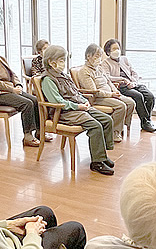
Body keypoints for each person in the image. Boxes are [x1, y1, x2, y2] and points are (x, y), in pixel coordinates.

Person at [41, 45, 115, 175]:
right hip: (64, 113)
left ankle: (102, 154)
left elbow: (75, 92)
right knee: (95, 125)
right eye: (61, 60)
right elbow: (58, 102)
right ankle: (97, 162)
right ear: (51, 62)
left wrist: (83, 100)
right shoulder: (48, 79)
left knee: (107, 119)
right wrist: (78, 106)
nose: (63, 63)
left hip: (78, 107)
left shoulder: (62, 75)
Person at [0, 33, 49, 147]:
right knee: (27, 103)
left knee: (35, 100)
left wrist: (18, 84)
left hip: (9, 90)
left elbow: (12, 74)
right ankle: (28, 136)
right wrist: (12, 89)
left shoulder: (0, 58)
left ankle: (39, 131)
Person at [78, 44, 135, 143]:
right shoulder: (84, 71)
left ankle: (119, 126)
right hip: (98, 98)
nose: (99, 59)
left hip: (110, 94)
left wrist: (115, 91)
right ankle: (114, 132)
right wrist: (111, 95)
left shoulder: (99, 68)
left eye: (100, 56)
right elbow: (94, 91)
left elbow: (108, 81)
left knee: (131, 103)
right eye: (96, 56)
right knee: (121, 106)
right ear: (88, 56)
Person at [101, 39, 156, 133]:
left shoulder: (124, 59)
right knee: (138, 96)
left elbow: (134, 72)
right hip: (122, 87)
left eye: (118, 48)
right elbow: (107, 77)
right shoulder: (105, 63)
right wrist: (122, 80)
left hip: (133, 84)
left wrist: (133, 82)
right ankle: (145, 122)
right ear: (108, 52)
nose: (116, 51)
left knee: (150, 96)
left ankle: (147, 120)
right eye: (113, 49)